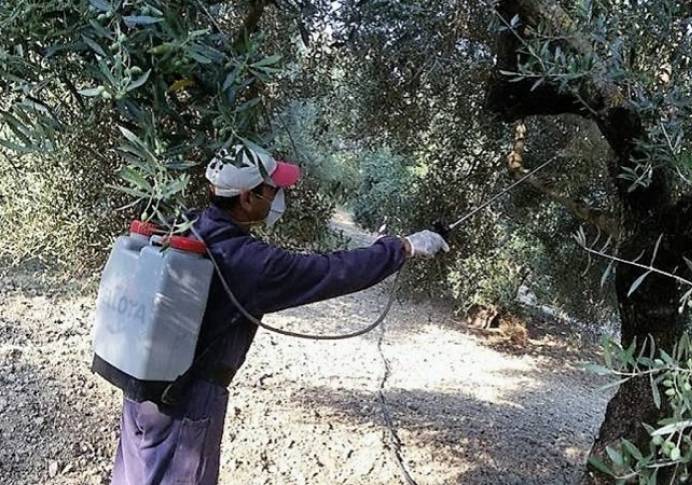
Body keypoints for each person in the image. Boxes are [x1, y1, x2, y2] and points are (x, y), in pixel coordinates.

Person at [110, 145, 449, 485]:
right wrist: (403, 247)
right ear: (246, 197)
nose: (278, 197)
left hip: (142, 385)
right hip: (190, 399)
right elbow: (333, 271)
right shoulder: (250, 263)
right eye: (273, 189)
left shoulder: (187, 225)